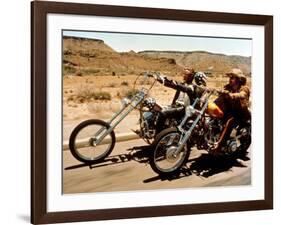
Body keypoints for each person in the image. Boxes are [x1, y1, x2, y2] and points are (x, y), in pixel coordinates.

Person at [154, 68, 207, 133]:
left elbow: (178, 86)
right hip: (176, 106)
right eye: (184, 74)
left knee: (163, 113)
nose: (184, 76)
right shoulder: (183, 84)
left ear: (191, 76)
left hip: (183, 109)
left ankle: (158, 135)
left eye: (186, 74)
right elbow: (176, 96)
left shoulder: (192, 87)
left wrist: (166, 82)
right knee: (156, 109)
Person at [211, 68, 251, 154]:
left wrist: (232, 95)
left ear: (238, 79)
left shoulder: (244, 88)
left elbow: (242, 94)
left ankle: (219, 145)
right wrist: (215, 91)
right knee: (215, 109)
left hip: (240, 112)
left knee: (229, 122)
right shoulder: (228, 87)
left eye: (232, 77)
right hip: (230, 110)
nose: (230, 79)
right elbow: (222, 91)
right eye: (230, 77)